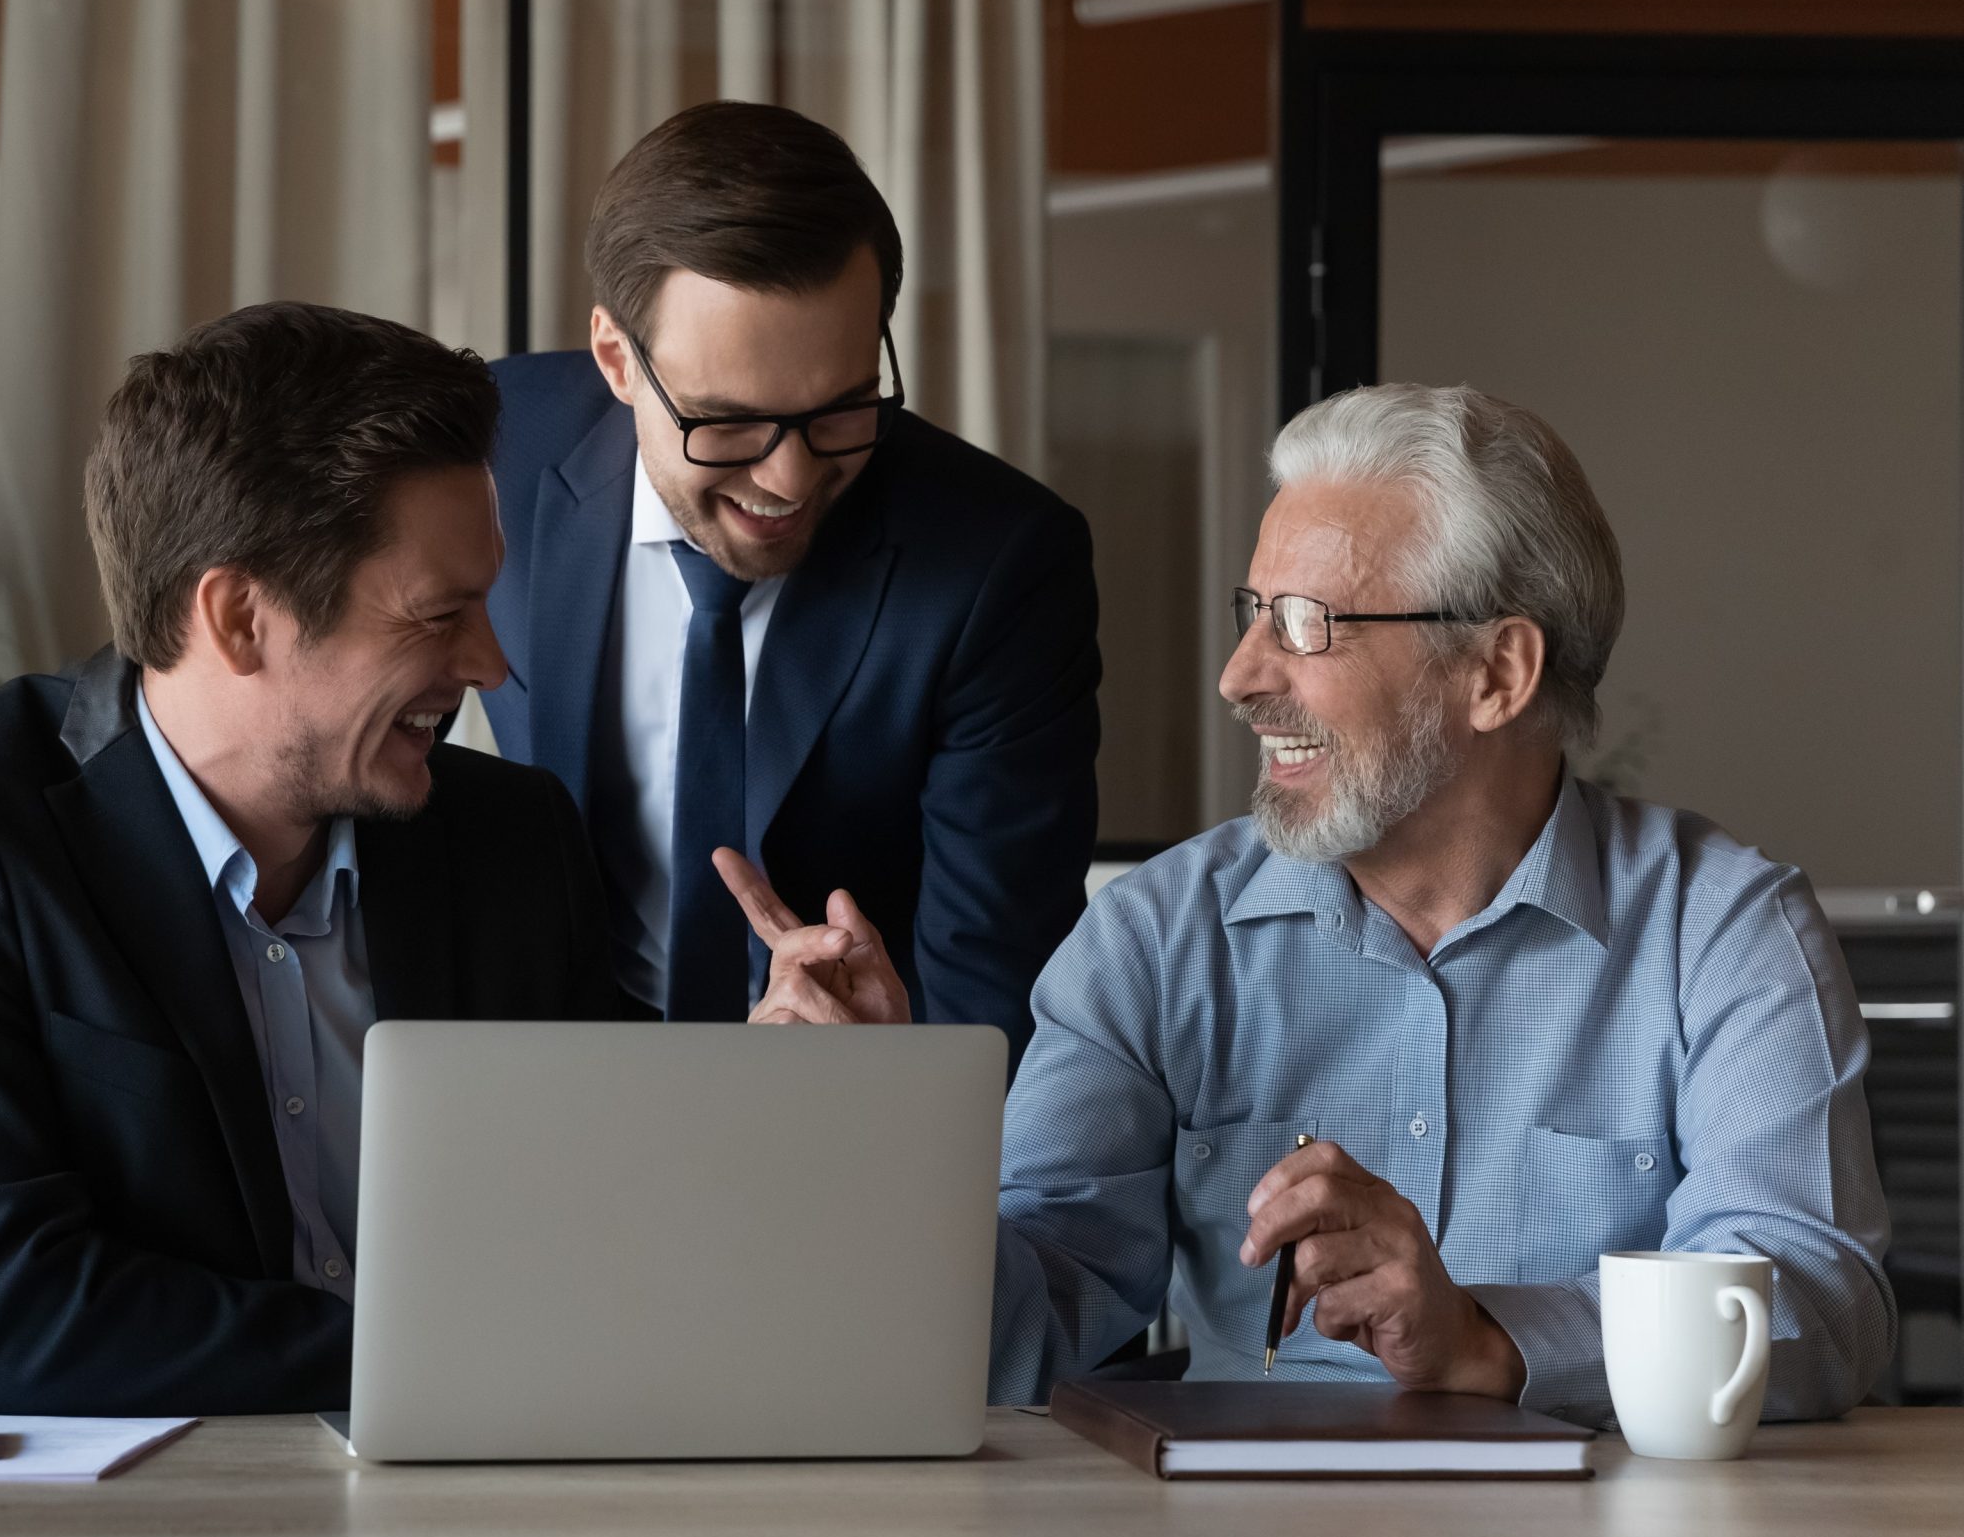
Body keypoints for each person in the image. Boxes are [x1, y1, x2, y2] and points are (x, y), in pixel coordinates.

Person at [738, 383, 1895, 1426]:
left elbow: (1816, 1302)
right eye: (1254, 612)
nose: (1242, 676)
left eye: (1305, 625)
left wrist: (1486, 1342)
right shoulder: (1157, 937)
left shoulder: (1725, 932)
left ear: (1497, 674)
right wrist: (874, 1140)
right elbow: (1025, 1326)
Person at [0, 302, 626, 1416]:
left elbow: (608, 1224)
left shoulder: (513, 840)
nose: (489, 663)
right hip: (91, 1536)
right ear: (238, 617)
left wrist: (788, 1096)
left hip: (462, 1515)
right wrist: (461, 1349)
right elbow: (16, 1321)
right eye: (441, 614)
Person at [479, 101, 1100, 1049]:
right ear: (616, 358)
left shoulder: (1001, 564)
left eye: (842, 410)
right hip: (541, 1060)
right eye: (726, 422)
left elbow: (991, 1002)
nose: (791, 477)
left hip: (847, 1090)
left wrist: (878, 1071)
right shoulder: (490, 452)